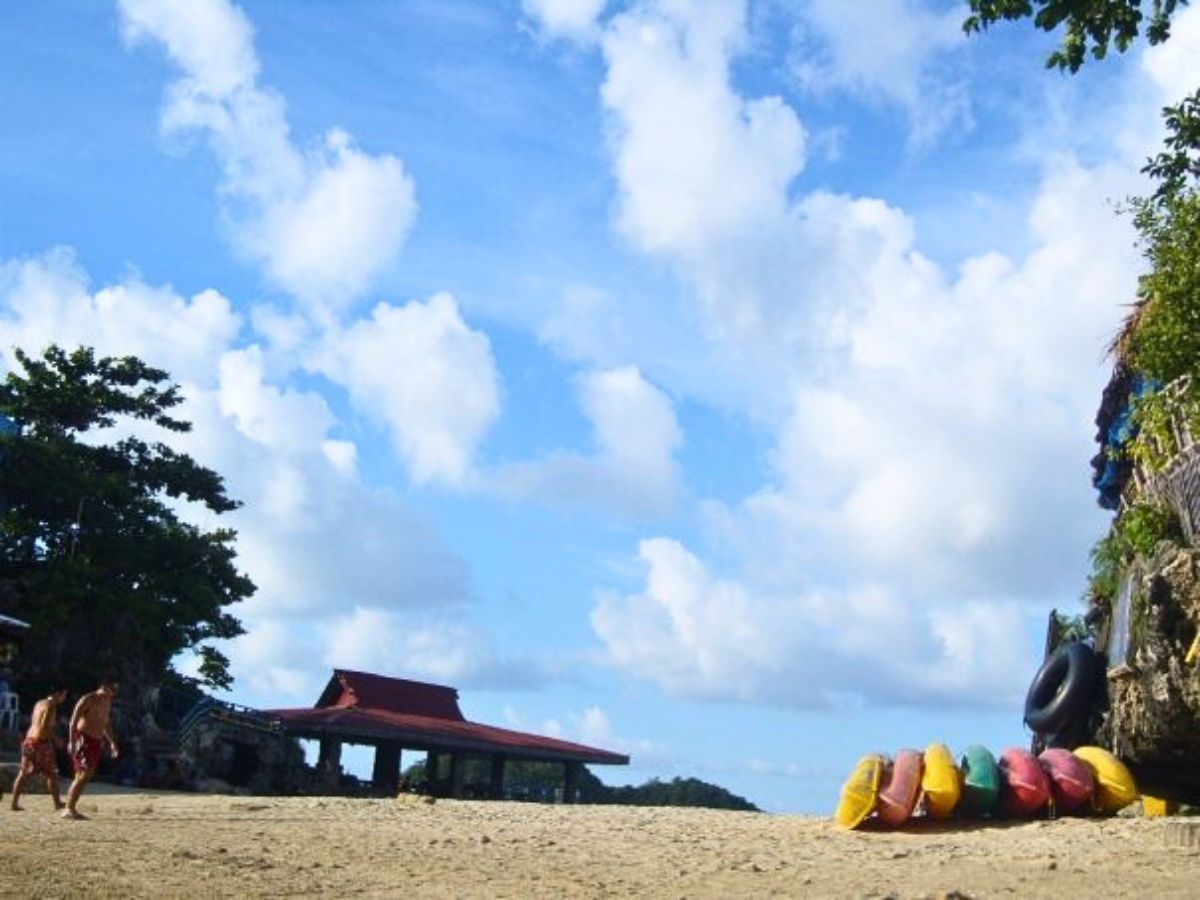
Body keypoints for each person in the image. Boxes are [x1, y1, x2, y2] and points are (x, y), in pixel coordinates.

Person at [62, 678, 120, 820]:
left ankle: (71, 807)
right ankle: (68, 809)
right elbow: (73, 722)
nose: (113, 694)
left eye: (115, 692)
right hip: (83, 738)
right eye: (113, 690)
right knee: (84, 773)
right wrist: (72, 741)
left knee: (85, 775)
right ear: (104, 687)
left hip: (96, 741)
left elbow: (105, 724)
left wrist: (113, 743)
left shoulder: (107, 702)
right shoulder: (88, 699)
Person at [10, 685, 68, 811]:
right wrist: (56, 740)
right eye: (64, 695)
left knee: (24, 773)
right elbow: (44, 726)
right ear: (58, 694)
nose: (64, 698)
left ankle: (14, 803)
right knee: (52, 774)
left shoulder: (40, 703)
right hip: (40, 742)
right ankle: (57, 803)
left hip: (29, 740)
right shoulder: (51, 705)